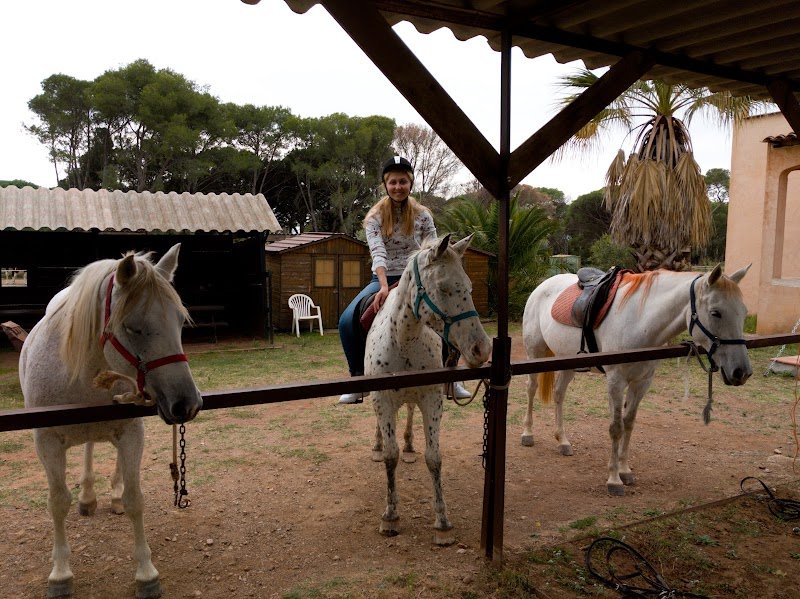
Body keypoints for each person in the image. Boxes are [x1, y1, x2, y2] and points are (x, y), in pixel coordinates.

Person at [337, 155, 472, 404]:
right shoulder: (374, 217)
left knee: (447, 311)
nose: (398, 187)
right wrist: (383, 286)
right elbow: (378, 252)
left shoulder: (423, 215)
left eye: (402, 181)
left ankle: (451, 378)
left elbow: (433, 249)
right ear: (385, 185)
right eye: (393, 182)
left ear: (410, 183)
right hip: (384, 276)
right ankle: (358, 380)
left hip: (419, 276)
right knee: (346, 320)